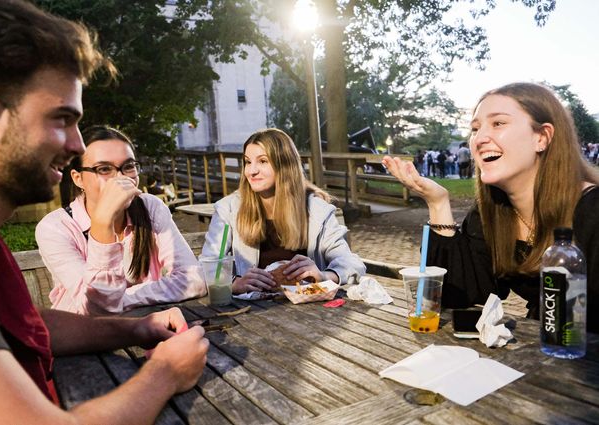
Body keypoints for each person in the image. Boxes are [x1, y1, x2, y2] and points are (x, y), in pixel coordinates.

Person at [0, 1, 208, 423]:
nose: (77, 146)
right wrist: (164, 373)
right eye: (62, 118)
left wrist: (135, 327)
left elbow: (31, 325)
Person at [382, 82, 599, 333]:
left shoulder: (592, 212)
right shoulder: (491, 212)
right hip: (543, 349)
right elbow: (463, 295)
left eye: (498, 123)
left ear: (542, 137)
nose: (480, 139)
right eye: (475, 128)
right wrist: (437, 203)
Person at [36, 126, 206, 314]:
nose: (120, 178)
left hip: (146, 326)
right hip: (84, 337)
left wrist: (120, 299)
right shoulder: (55, 228)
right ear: (78, 179)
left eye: (128, 166)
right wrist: (103, 222)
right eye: (104, 169)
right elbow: (95, 308)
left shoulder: (150, 207)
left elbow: (192, 278)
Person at [202, 128, 365, 294]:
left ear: (285, 165)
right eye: (248, 162)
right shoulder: (228, 209)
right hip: (253, 311)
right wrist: (234, 284)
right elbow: (209, 264)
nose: (252, 171)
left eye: (263, 161)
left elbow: (351, 263)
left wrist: (323, 276)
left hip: (311, 309)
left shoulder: (317, 211)